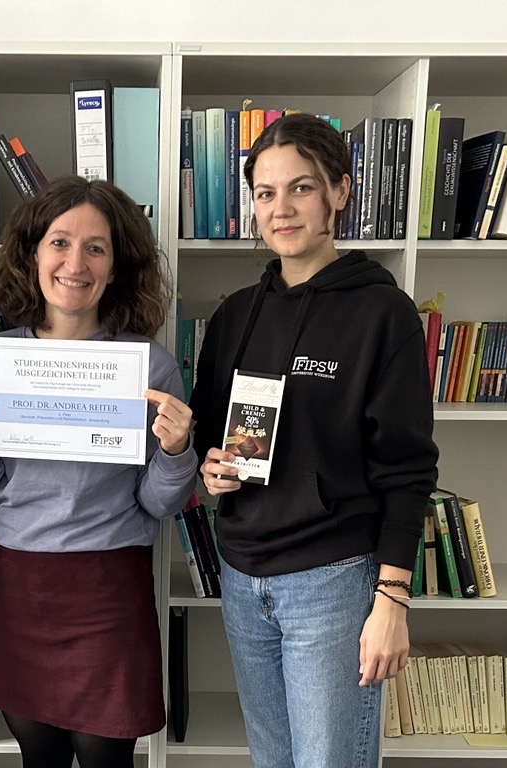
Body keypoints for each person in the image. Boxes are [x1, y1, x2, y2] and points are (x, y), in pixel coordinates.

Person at [190, 113, 438, 768]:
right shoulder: (234, 315)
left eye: (300, 187)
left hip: (332, 583)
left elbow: (407, 467)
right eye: (265, 193)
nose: (281, 208)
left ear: (340, 192)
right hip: (242, 577)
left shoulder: (383, 313)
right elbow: (209, 434)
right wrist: (209, 468)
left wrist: (391, 599)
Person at [0, 175, 198, 768]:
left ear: (116, 267)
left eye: (96, 248)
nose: (75, 263)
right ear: (33, 254)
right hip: (20, 582)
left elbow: (160, 504)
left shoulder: (150, 366)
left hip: (108, 586)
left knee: (105, 756)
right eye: (59, 243)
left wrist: (176, 451)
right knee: (38, 755)